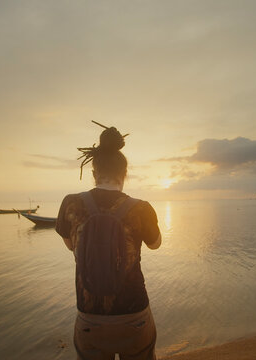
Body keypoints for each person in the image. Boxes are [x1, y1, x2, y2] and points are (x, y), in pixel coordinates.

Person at [56, 121, 162, 360]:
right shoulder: (141, 208)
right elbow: (155, 244)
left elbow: (71, 245)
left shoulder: (70, 203)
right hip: (134, 315)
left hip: (89, 317)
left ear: (94, 173)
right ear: (124, 174)